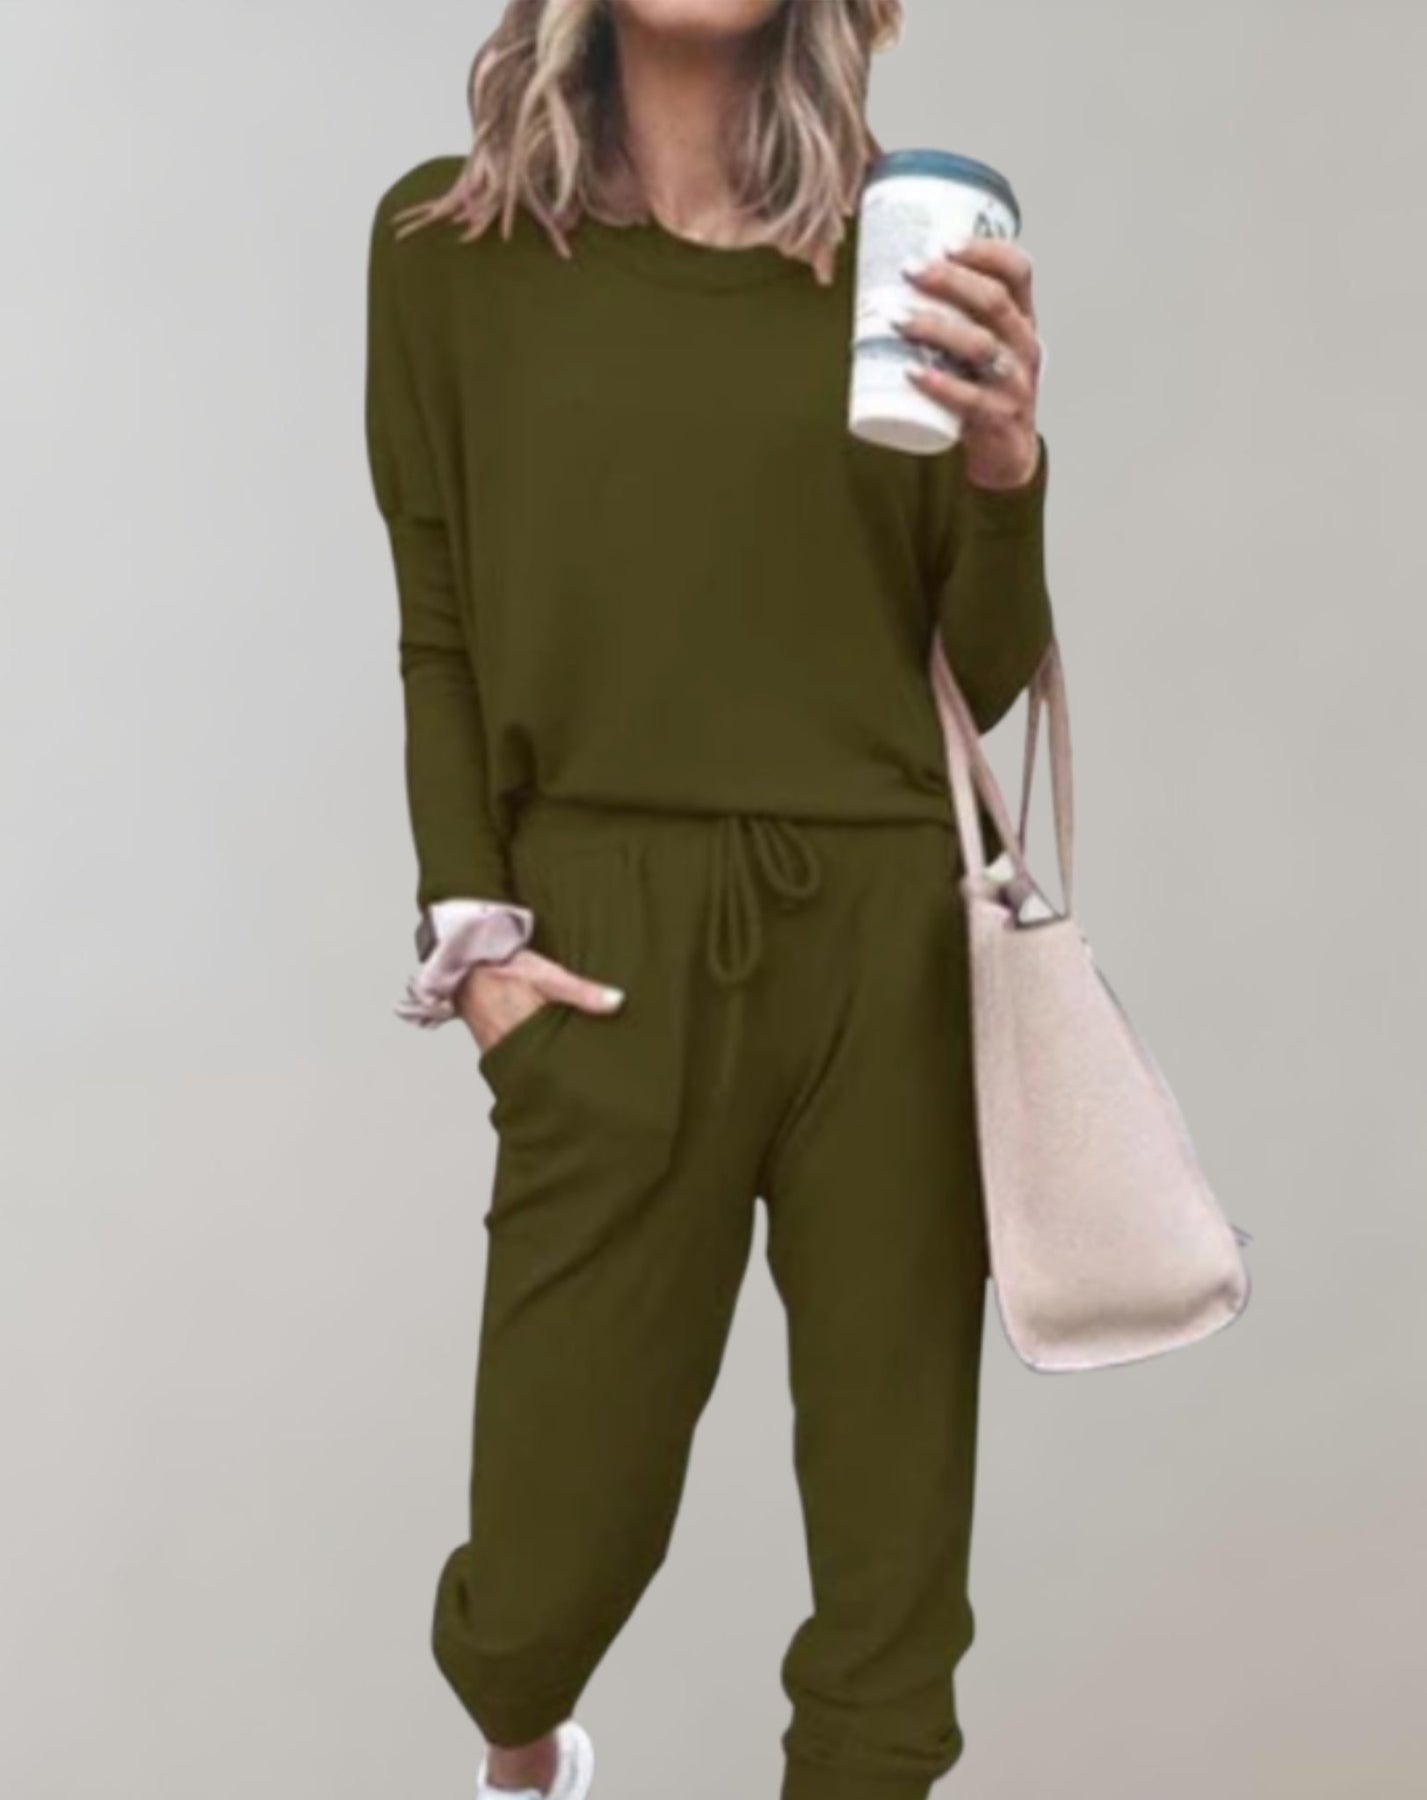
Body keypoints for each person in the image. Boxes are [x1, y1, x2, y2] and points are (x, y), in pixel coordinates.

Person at [362, 3, 1054, 1797]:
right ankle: (528, 1755)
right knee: (533, 1590)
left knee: (895, 1611)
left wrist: (1004, 473)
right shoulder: (447, 252)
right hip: (608, 944)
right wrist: (475, 940)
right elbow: (439, 622)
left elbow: (974, 679)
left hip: (884, 942)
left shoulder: (908, 247)